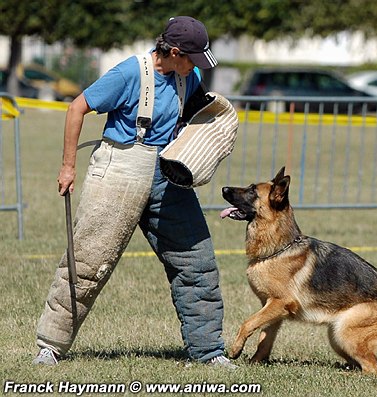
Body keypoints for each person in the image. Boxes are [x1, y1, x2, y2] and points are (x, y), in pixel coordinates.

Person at [33, 16, 236, 369]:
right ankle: (50, 346)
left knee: (197, 263)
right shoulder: (129, 73)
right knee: (87, 264)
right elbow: (76, 107)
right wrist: (68, 166)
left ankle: (208, 352)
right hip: (121, 170)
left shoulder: (191, 76)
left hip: (168, 175)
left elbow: (194, 115)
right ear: (174, 52)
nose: (196, 67)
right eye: (192, 59)